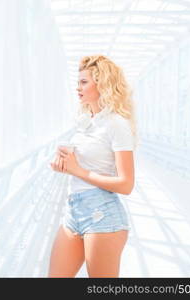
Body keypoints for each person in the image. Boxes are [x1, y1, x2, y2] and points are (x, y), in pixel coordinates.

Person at [48, 54, 138, 278]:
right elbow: (84, 165)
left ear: (102, 83)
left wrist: (77, 169)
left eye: (84, 82)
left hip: (102, 214)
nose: (77, 87)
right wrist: (64, 164)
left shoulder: (117, 124)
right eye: (77, 82)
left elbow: (126, 184)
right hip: (73, 211)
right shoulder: (87, 120)